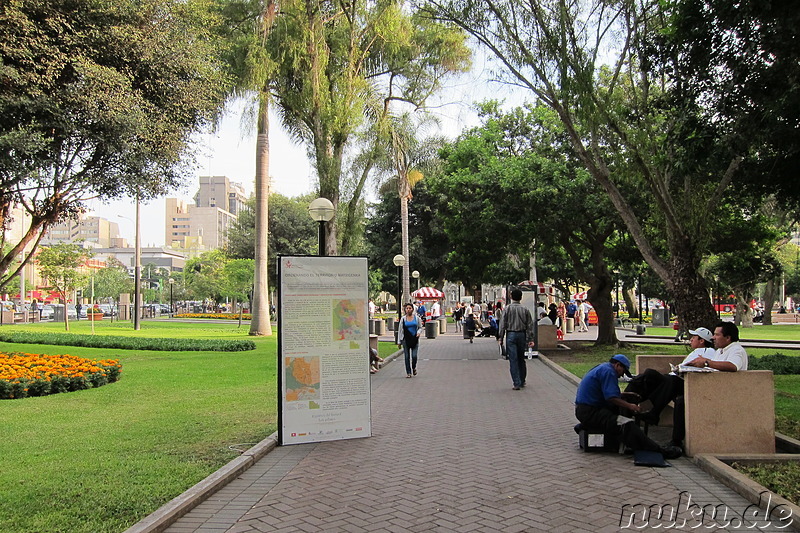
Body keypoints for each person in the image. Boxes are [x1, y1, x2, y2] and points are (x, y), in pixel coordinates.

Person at [575, 354, 682, 459]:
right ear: (617, 365)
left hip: (585, 410)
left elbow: (603, 393)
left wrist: (624, 395)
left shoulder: (602, 368)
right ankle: (659, 451)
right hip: (591, 412)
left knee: (620, 412)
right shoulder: (609, 372)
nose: (621, 376)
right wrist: (631, 406)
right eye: (623, 371)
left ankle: (585, 426)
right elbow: (611, 398)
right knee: (626, 424)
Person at [498, 288, 534, 390]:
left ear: (511, 297)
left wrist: (500, 337)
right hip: (522, 334)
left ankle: (516, 382)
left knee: (513, 359)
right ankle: (522, 380)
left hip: (511, 335)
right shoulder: (525, 309)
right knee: (521, 358)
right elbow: (529, 325)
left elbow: (502, 324)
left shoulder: (507, 309)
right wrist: (530, 338)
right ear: (521, 297)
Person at [397, 303, 422, 378]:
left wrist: (418, 333)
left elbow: (420, 327)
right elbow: (400, 330)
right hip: (406, 340)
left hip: (414, 339)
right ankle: (408, 372)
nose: (408, 310)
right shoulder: (403, 319)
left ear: (412, 309)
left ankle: (413, 367)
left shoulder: (417, 318)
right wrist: (399, 341)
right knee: (406, 356)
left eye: (410, 308)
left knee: (414, 356)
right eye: (407, 308)